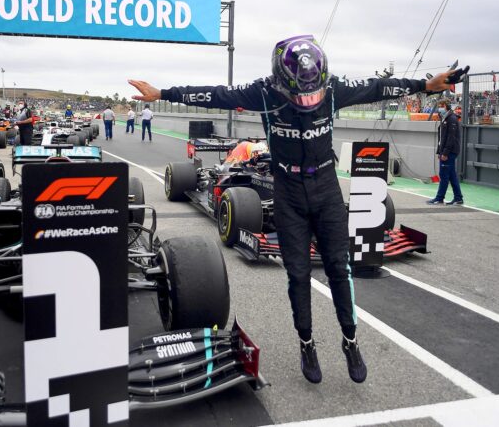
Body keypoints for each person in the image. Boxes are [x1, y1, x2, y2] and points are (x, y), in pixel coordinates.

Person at [129, 34, 462, 384]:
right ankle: (307, 343)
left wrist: (426, 85)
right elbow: (215, 94)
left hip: (326, 188)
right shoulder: (262, 91)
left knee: (339, 267)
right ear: (280, 80)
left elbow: (379, 86)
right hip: (287, 190)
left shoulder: (334, 88)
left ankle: (350, 340)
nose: (307, 98)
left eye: (312, 92)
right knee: (298, 274)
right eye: (299, 93)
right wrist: (163, 93)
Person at [427, 99, 463, 205]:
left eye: (441, 106)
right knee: (452, 175)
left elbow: (451, 138)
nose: (439, 108)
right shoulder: (445, 118)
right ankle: (458, 198)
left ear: (446, 106)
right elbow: (442, 138)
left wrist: (445, 153)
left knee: (443, 175)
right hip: (447, 151)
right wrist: (440, 152)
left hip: (450, 152)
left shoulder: (451, 119)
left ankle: (439, 198)